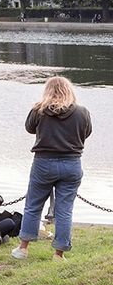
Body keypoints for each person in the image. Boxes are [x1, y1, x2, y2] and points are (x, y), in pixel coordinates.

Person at [15, 75, 93, 260]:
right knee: (64, 209)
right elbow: (87, 132)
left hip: (44, 163)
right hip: (72, 164)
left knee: (33, 205)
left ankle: (23, 249)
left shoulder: (39, 110)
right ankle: (59, 254)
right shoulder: (82, 112)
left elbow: (29, 128)